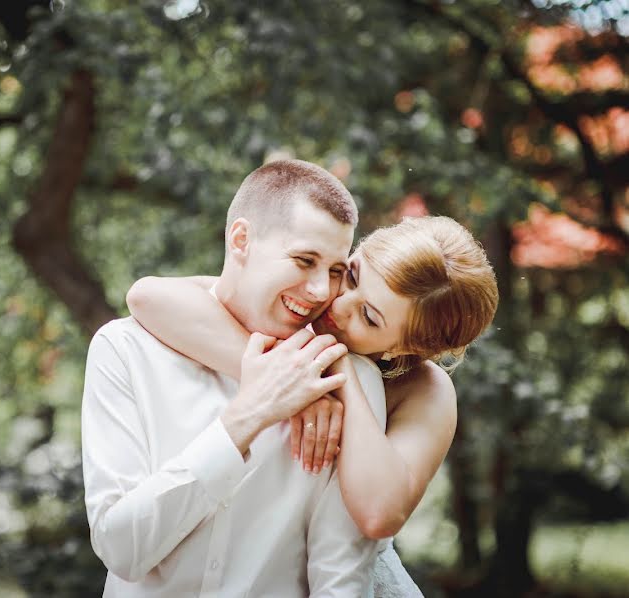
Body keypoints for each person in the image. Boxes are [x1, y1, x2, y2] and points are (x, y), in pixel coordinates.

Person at [126, 215, 499, 595]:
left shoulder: (425, 389)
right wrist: (296, 387)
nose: (336, 306)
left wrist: (342, 376)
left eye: (368, 317)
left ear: (406, 348)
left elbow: (379, 513)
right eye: (351, 276)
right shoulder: (294, 307)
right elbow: (147, 296)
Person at [82, 159, 388, 596]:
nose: (322, 290)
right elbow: (121, 548)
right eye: (304, 260)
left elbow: (340, 575)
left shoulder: (347, 381)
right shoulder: (126, 349)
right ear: (241, 239)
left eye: (336, 271)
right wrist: (248, 416)